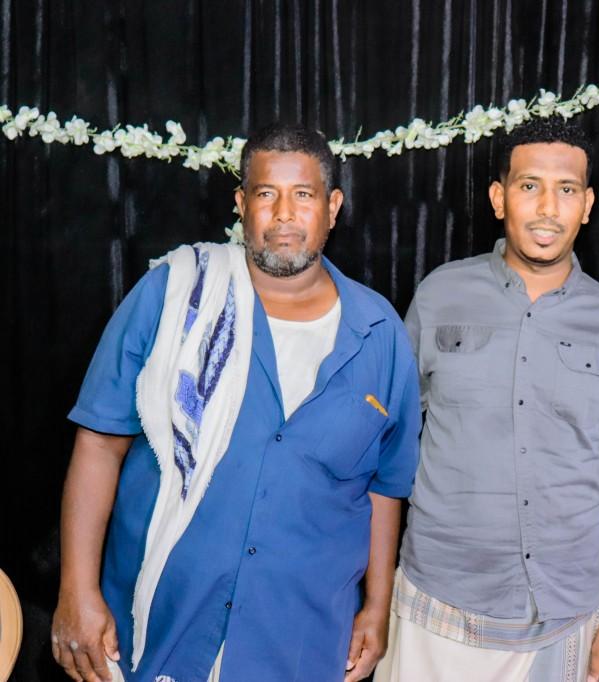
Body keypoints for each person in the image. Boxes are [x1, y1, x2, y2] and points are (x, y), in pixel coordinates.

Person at [51, 123, 420, 682]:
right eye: (267, 193)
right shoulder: (175, 295)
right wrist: (76, 590)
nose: (284, 214)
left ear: (332, 207)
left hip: (300, 640)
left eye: (304, 194)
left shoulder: (379, 333)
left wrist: (375, 606)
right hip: (160, 626)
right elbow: (100, 444)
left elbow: (384, 487)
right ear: (242, 204)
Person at [374, 117, 599, 682]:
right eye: (530, 186)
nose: (548, 207)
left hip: (562, 617)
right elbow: (389, 446)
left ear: (588, 205)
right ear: (499, 198)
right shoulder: (439, 294)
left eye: (566, 189)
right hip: (435, 603)